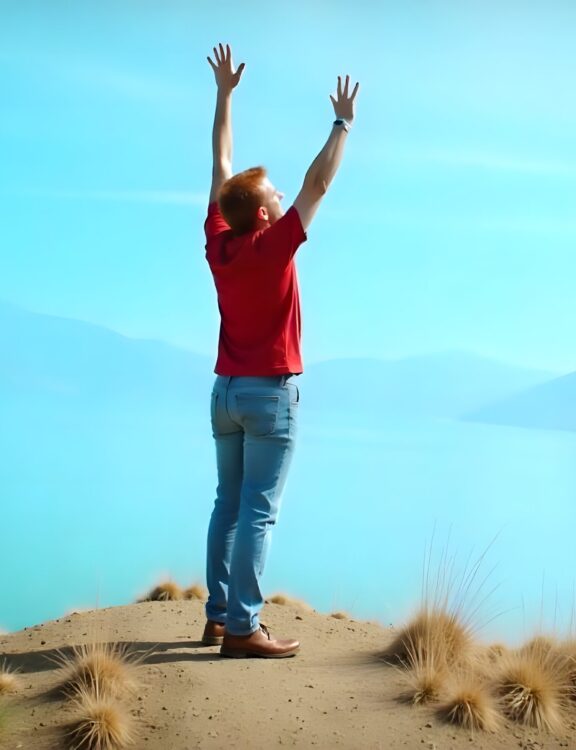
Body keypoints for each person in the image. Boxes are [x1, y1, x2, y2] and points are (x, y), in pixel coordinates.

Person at [200, 42, 359, 658]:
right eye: (272, 193)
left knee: (227, 506)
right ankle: (243, 627)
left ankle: (218, 615)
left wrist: (223, 95)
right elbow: (319, 181)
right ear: (265, 213)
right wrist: (342, 124)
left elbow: (221, 164)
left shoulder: (222, 244)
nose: (278, 194)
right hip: (269, 397)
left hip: (225, 394)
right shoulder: (273, 245)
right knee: (258, 514)